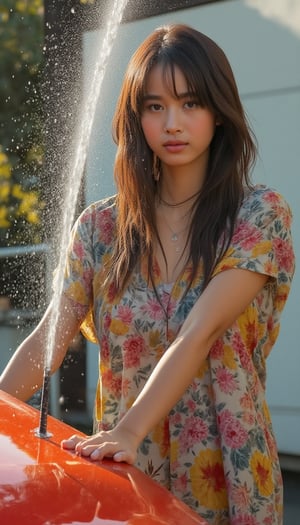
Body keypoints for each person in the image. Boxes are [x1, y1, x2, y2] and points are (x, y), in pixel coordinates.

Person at [0, 24, 295, 525]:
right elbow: (51, 337)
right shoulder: (99, 228)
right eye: (155, 106)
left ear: (219, 112)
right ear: (136, 117)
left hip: (225, 471)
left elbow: (201, 331)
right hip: (122, 472)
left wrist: (130, 431)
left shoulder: (259, 214)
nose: (172, 122)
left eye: (191, 103)